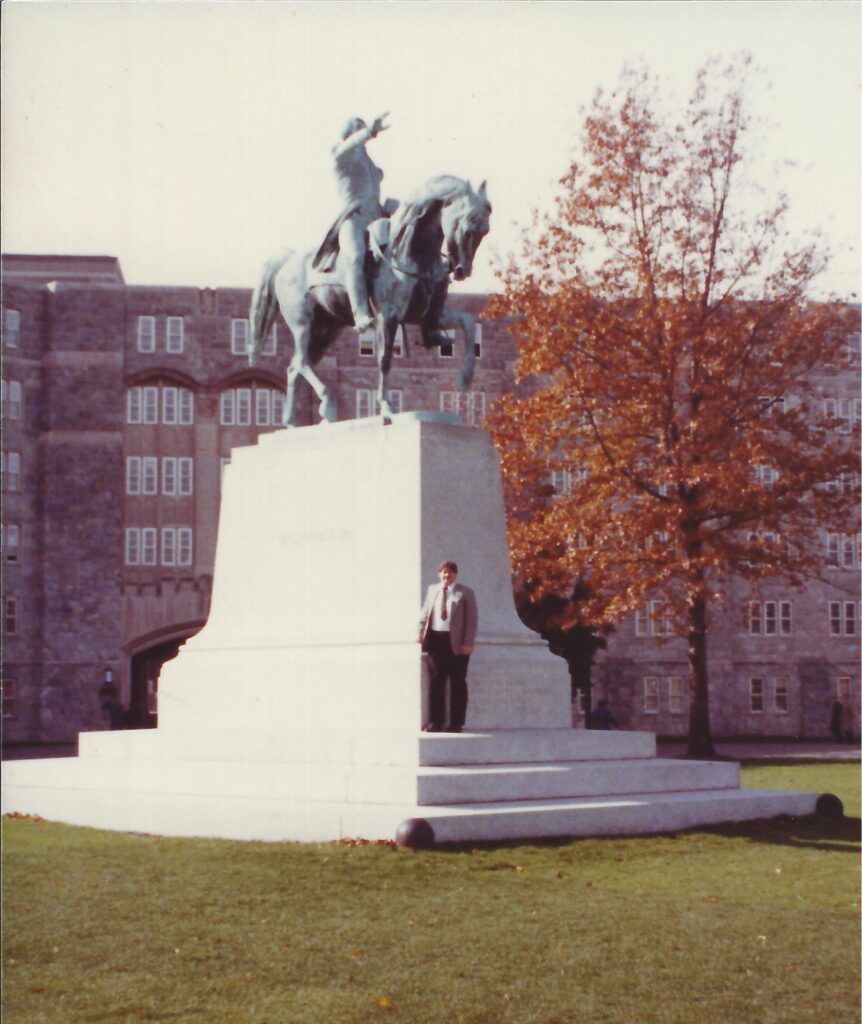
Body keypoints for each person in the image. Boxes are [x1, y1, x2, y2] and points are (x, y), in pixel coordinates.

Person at [313, 113, 390, 333]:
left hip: (377, 218)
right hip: (353, 218)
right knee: (355, 258)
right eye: (357, 127)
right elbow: (349, 147)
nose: (362, 128)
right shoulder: (341, 155)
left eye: (363, 126)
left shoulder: (369, 163)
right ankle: (361, 314)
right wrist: (369, 133)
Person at [418, 560, 478, 733]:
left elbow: (472, 620)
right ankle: (436, 722)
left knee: (458, 683)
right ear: (439, 574)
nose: (447, 575)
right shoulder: (432, 590)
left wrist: (468, 642)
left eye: (450, 572)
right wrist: (420, 632)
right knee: (437, 682)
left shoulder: (465, 592)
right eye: (444, 572)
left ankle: (456, 723)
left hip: (457, 643)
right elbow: (424, 613)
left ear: (455, 575)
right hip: (436, 640)